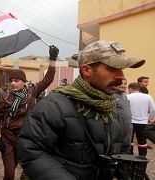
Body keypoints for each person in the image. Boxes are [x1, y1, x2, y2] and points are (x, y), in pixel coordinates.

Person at [17, 40, 146, 180]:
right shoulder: (54, 104)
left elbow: (122, 149)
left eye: (122, 69)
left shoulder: (114, 105)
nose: (121, 76)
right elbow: (31, 151)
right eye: (113, 68)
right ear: (86, 70)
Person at [0, 45, 59, 180]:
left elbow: (48, 79)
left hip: (24, 138)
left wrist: (52, 59)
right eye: (11, 81)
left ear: (24, 82)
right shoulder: (4, 97)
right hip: (7, 138)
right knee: (10, 173)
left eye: (16, 81)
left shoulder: (32, 93)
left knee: (24, 168)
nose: (13, 83)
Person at [127, 82, 155, 157]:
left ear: (130, 88)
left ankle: (129, 154)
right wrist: (150, 119)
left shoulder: (128, 97)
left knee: (129, 139)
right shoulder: (147, 96)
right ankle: (142, 155)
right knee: (142, 140)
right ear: (138, 88)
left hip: (130, 122)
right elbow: (153, 109)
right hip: (143, 122)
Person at [115, 79, 132, 153]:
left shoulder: (125, 97)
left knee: (125, 148)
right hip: (118, 128)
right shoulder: (112, 96)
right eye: (120, 83)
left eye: (125, 84)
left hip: (127, 128)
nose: (123, 85)